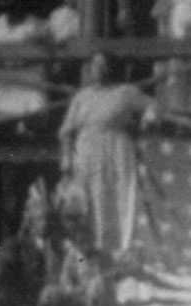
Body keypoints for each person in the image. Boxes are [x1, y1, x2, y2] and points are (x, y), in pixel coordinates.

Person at [57, 53, 154, 257]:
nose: (100, 70)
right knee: (89, 197)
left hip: (117, 150)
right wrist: (66, 158)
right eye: (95, 66)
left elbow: (154, 105)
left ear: (112, 69)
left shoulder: (125, 92)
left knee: (118, 195)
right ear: (90, 70)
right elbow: (66, 131)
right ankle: (89, 251)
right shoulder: (81, 97)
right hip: (86, 152)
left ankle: (120, 250)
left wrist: (147, 121)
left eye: (104, 65)